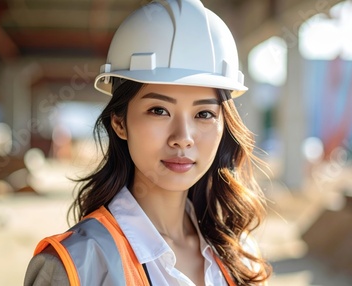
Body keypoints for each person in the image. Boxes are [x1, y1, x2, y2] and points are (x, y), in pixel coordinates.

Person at [24, 0, 271, 285]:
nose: (183, 138)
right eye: (159, 110)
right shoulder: (76, 267)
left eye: (204, 114)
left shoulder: (239, 254)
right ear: (119, 122)